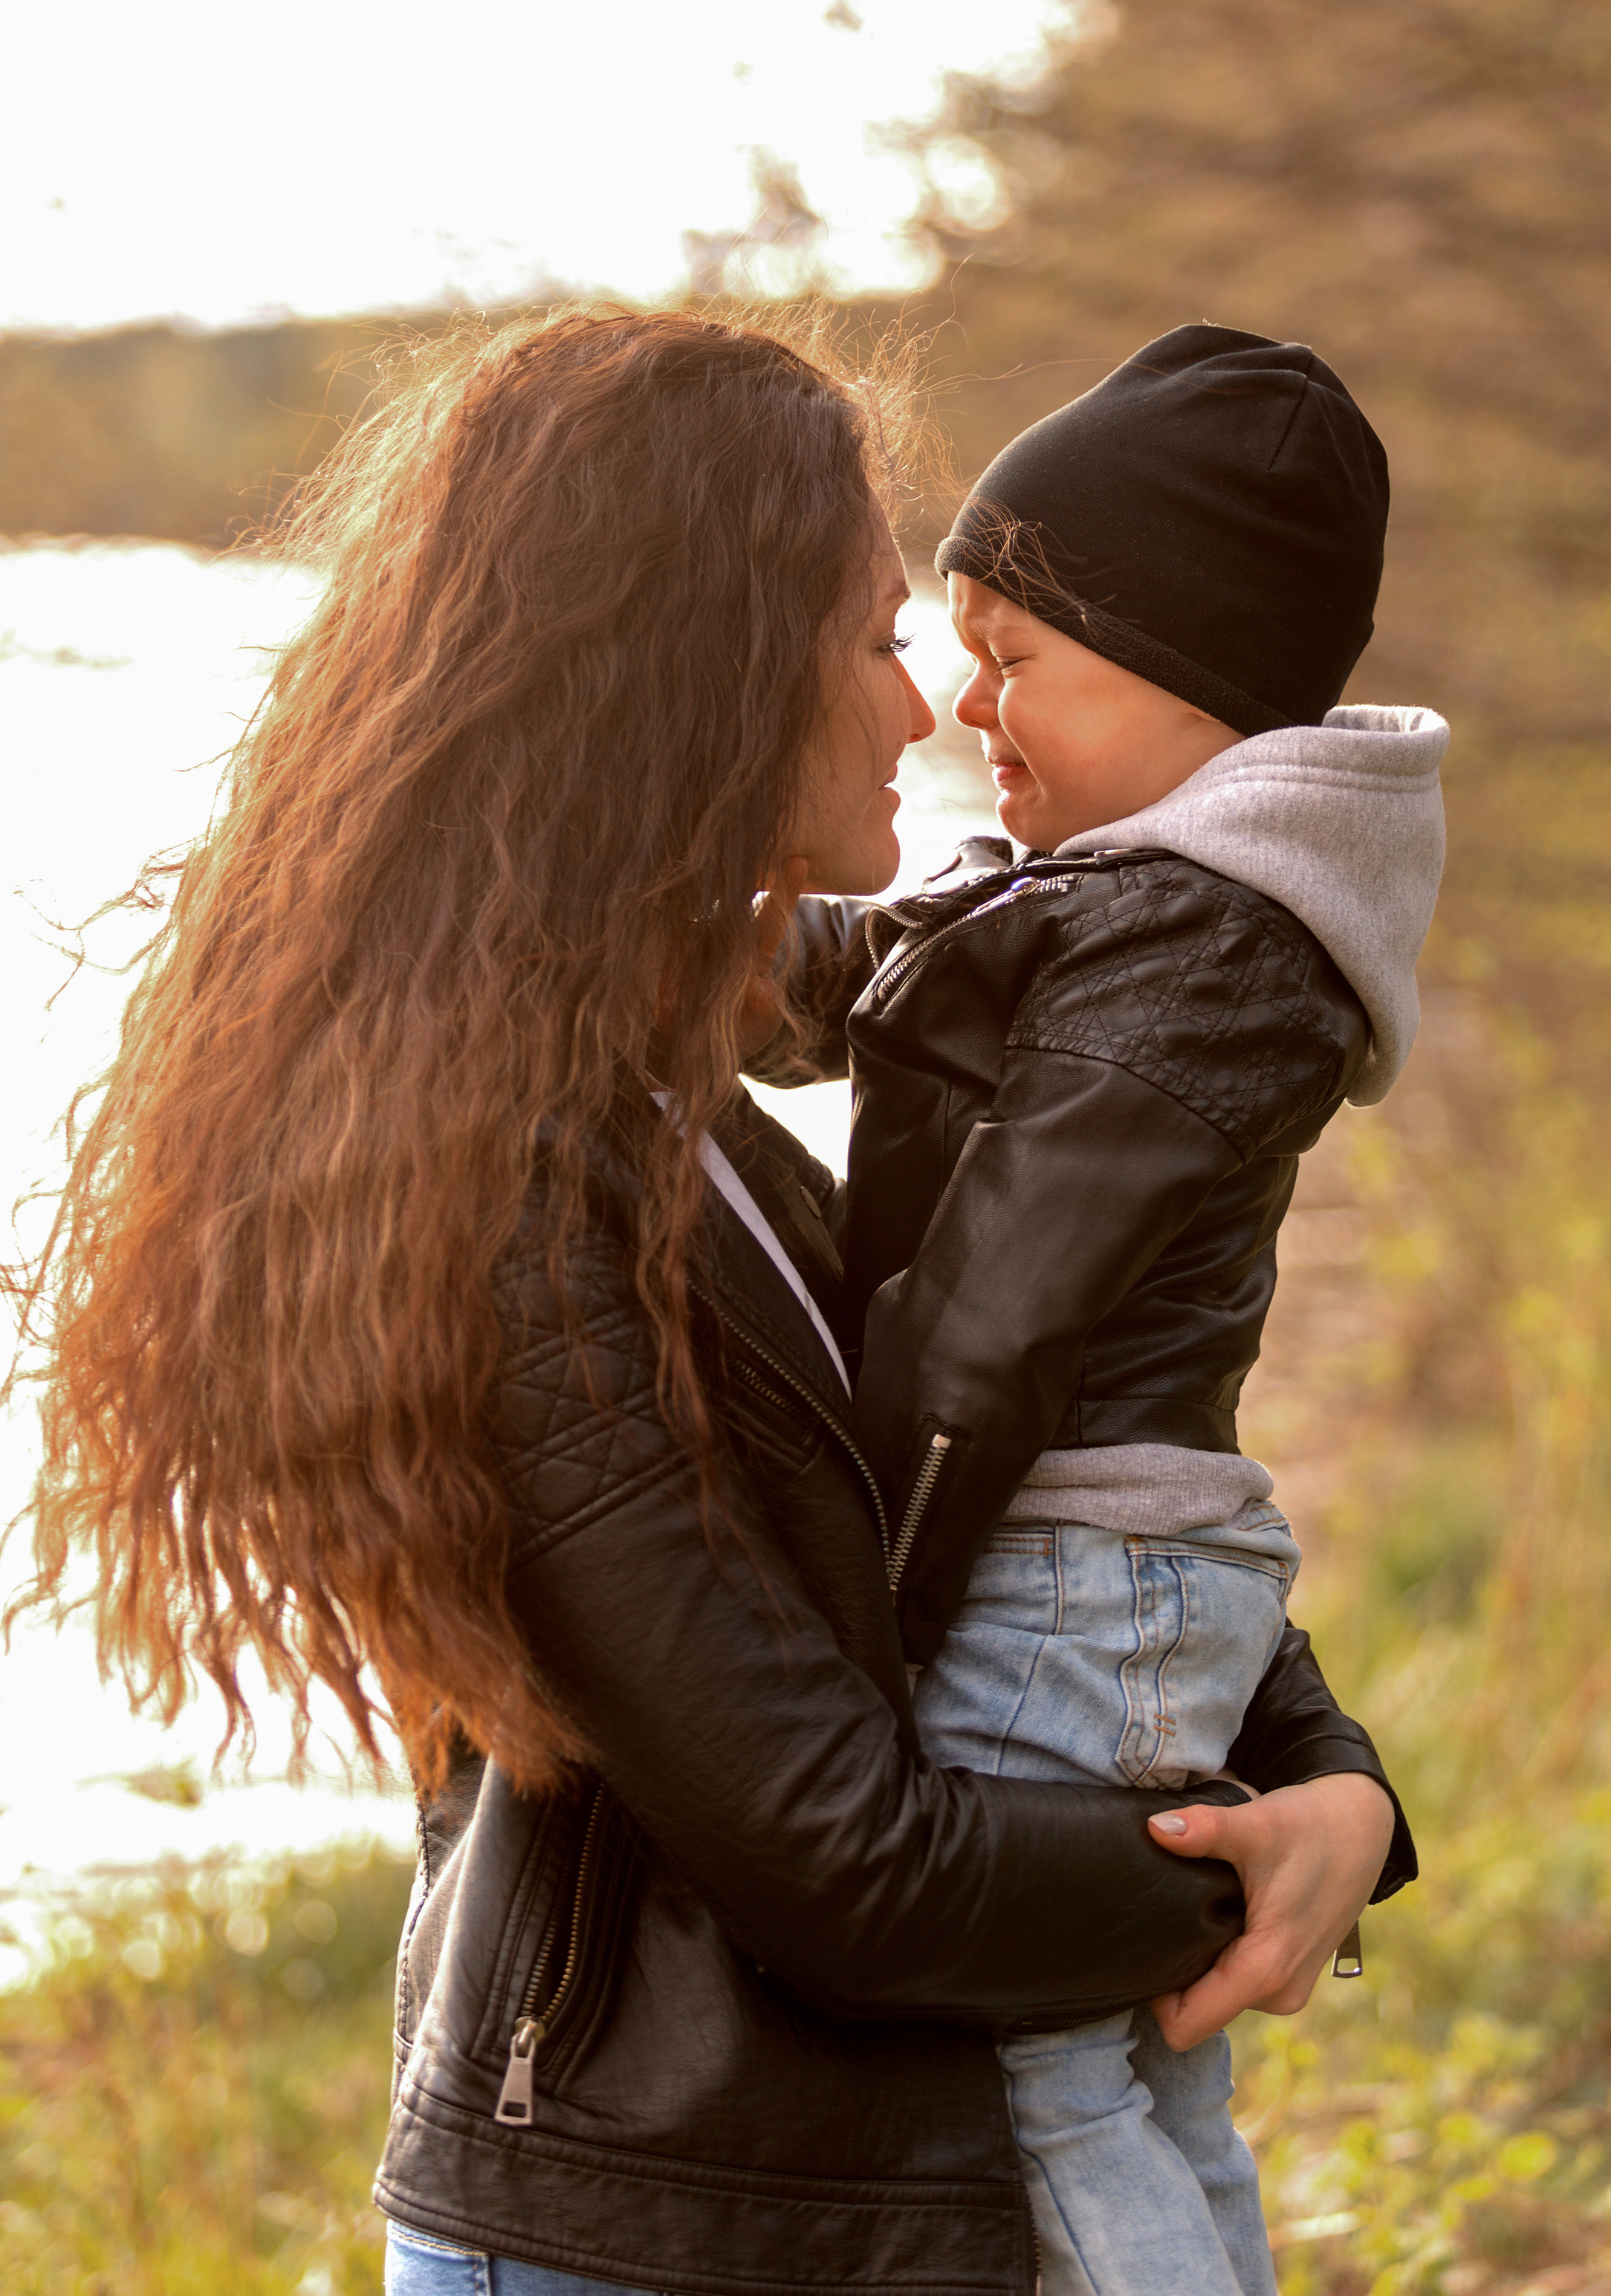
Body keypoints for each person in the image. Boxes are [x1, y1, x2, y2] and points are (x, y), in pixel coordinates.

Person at [10, 305, 1409, 2296]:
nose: (923, 709)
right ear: (703, 678)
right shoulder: (516, 1190)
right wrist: (1238, 1877)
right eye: (871, 638)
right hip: (645, 2225)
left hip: (782, 2204)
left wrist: (1336, 1781)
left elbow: (1048, 1481)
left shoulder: (674, 1123)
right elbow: (842, 1850)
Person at [770, 328, 1448, 2294]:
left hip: (1057, 1559)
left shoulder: (1206, 948)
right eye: (954, 642)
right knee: (1140, 2084)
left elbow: (997, 1321)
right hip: (1096, 1556)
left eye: (1014, 657)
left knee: (1042, 2081)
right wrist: (681, 952)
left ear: (1193, 676)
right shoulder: (1118, 888)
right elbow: (886, 969)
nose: (964, 700)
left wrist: (861, 1616)